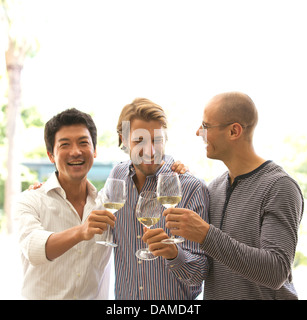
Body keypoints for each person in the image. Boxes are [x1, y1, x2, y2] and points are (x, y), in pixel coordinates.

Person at [163, 92, 304, 300]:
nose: (198, 132)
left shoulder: (280, 186)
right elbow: (204, 267)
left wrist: (205, 235)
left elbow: (276, 271)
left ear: (233, 131)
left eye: (206, 126)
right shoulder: (214, 188)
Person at [108, 98, 209, 299]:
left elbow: (200, 273)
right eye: (139, 140)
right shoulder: (117, 176)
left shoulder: (190, 188)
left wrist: (174, 254)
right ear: (123, 139)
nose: (150, 151)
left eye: (157, 140)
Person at [15, 108, 116, 299]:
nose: (76, 152)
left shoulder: (107, 204)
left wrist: (175, 168)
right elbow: (34, 250)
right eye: (65, 145)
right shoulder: (30, 200)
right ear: (51, 155)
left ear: (94, 151)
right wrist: (81, 231)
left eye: (83, 143)